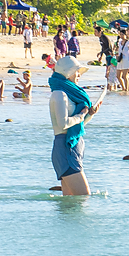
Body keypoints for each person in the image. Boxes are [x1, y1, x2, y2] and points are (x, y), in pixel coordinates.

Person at [49, 55, 101, 196]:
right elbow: (64, 124)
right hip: (66, 150)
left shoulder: (67, 93)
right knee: (84, 197)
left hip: (71, 150)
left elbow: (77, 124)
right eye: (77, 72)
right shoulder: (59, 94)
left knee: (69, 204)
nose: (79, 75)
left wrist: (90, 114)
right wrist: (81, 115)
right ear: (69, 72)